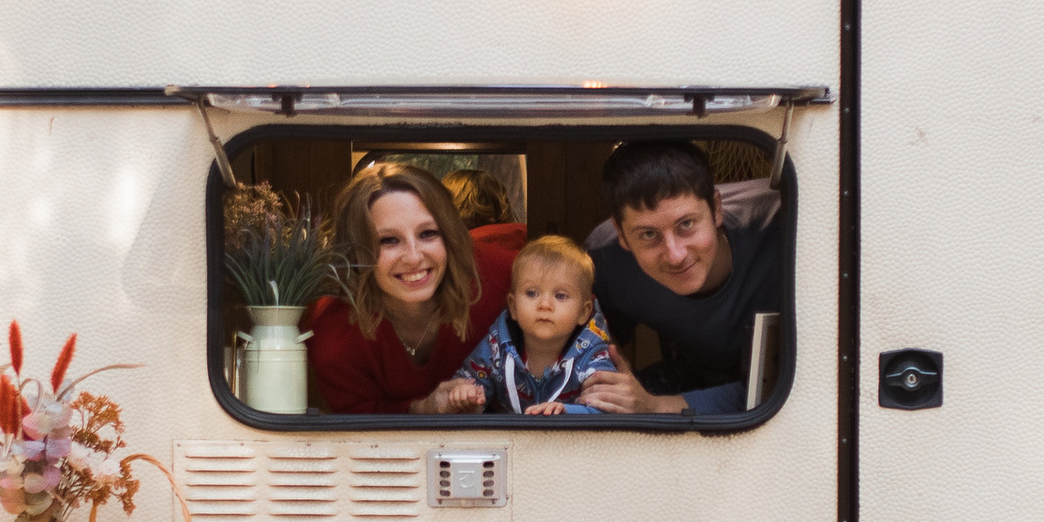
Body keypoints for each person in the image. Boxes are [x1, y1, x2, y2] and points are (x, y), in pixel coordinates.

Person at [580, 137, 784, 417]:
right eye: (649, 235)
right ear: (621, 233)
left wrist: (654, 406)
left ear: (716, 209)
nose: (675, 255)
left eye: (686, 225)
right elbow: (588, 345)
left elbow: (808, 387)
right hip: (689, 373)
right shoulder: (605, 257)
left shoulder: (783, 230)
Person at [304, 162, 512, 414]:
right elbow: (360, 425)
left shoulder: (501, 278)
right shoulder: (333, 335)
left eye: (428, 233)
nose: (413, 257)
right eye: (389, 240)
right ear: (356, 250)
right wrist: (423, 408)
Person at [437, 236, 620, 416]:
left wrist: (567, 413)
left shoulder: (593, 354)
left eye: (560, 295)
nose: (545, 305)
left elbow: (608, 407)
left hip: (571, 442)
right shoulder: (496, 346)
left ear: (583, 312)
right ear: (514, 307)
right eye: (532, 293)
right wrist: (466, 396)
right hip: (512, 441)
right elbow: (472, 384)